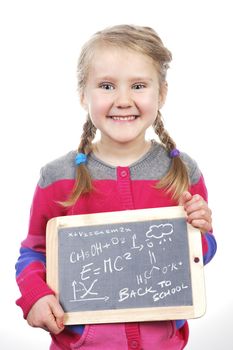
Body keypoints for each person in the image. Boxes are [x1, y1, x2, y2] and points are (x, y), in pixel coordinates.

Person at [15, 24, 217, 350]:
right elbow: (35, 252)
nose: (123, 100)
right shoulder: (57, 177)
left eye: (138, 85)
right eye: (107, 86)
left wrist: (199, 234)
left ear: (161, 92)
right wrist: (34, 296)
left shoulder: (182, 171)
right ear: (83, 94)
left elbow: (201, 254)